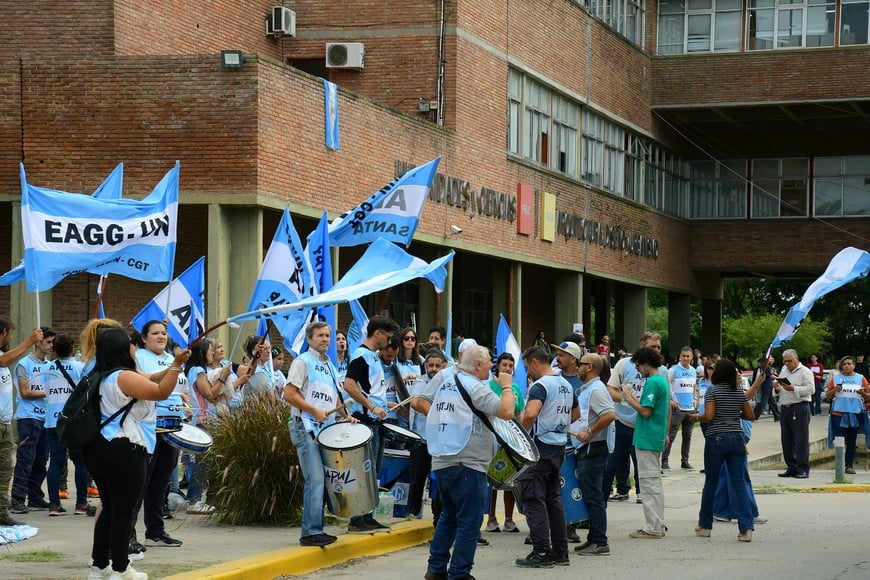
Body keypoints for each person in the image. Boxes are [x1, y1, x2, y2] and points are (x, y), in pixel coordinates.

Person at [83, 327, 189, 580]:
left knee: (109, 508)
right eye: (130, 344)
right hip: (123, 448)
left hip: (98, 446)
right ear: (123, 349)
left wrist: (173, 366)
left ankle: (99, 566)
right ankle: (121, 568)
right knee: (123, 511)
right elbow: (161, 392)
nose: (134, 348)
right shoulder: (122, 376)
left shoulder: (100, 374)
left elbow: (152, 378)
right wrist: (176, 364)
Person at [420, 344, 515, 580]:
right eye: (489, 362)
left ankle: (436, 568)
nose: (493, 365)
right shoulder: (475, 387)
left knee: (449, 517)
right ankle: (460, 573)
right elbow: (507, 411)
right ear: (478, 365)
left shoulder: (445, 381)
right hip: (467, 463)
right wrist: (506, 386)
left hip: (443, 460)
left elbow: (421, 401)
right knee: (469, 522)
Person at [284, 321, 350, 547]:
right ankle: (310, 532)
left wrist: (346, 415)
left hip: (324, 429)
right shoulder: (302, 362)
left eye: (328, 336)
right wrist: (314, 411)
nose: (325, 339)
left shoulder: (330, 365)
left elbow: (336, 397)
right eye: (320, 336)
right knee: (316, 480)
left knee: (322, 481)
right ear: (310, 339)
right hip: (305, 426)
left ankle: (316, 528)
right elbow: (289, 394)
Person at [515, 346, 579, 568]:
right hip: (559, 447)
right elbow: (577, 413)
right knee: (554, 500)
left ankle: (541, 551)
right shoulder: (565, 384)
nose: (527, 373)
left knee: (533, 499)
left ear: (534, 362)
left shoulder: (540, 385)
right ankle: (561, 553)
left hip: (539, 448)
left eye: (526, 368)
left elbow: (531, 413)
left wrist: (519, 437)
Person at [129, 320, 188, 556]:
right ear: (144, 338)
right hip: (149, 427)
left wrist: (184, 403)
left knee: (161, 481)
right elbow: (147, 382)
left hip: (172, 426)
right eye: (155, 333)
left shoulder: (172, 358)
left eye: (164, 333)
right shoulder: (139, 358)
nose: (161, 336)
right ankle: (129, 534)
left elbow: (177, 388)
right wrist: (174, 365)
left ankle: (155, 530)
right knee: (141, 481)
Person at [342, 314, 400, 533]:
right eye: (388, 336)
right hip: (366, 421)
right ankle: (357, 519)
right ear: (378, 334)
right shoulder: (361, 355)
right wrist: (371, 406)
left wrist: (384, 404)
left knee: (373, 471)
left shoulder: (374, 357)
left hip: (376, 420)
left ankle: (367, 515)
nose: (389, 341)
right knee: (364, 469)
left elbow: (371, 388)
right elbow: (349, 385)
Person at [692, 359, 756, 542]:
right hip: (737, 438)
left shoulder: (712, 391)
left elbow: (710, 416)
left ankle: (705, 525)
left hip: (717, 438)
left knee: (711, 482)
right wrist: (734, 413)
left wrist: (697, 417)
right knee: (739, 484)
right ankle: (746, 528)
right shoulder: (738, 392)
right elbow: (750, 416)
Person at [604, 331, 664, 504]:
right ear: (642, 347)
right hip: (622, 422)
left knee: (644, 467)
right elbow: (611, 389)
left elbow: (664, 404)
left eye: (659, 347)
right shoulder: (624, 364)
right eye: (653, 346)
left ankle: (642, 493)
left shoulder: (661, 372)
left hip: (645, 425)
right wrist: (627, 399)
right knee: (612, 463)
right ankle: (611, 493)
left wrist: (665, 431)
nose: (657, 350)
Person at [620, 346, 670, 539]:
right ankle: (657, 523)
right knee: (654, 481)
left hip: (647, 436)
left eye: (639, 365)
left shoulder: (652, 382)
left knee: (649, 483)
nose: (638, 369)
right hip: (655, 435)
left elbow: (645, 411)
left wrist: (628, 396)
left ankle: (653, 527)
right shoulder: (662, 381)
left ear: (645, 363)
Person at [572, 354, 616, 556]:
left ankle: (600, 541)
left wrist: (589, 432)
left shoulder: (597, 390)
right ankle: (593, 539)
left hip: (593, 449)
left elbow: (609, 415)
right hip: (589, 448)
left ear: (589, 367)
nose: (577, 367)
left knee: (594, 497)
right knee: (591, 496)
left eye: (580, 364)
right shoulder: (590, 389)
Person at [0, 318, 43, 526]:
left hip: (5, 423)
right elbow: (3, 362)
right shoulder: (4, 359)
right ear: (3, 332)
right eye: (9, 334)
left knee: (5, 468)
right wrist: (29, 341)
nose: (10, 337)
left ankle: (1, 511)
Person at [10, 326, 56, 514]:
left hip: (46, 418)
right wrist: (49, 392)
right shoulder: (24, 364)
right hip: (28, 418)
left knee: (41, 461)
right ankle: (18, 499)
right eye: (48, 342)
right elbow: (25, 392)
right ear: (38, 342)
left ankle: (35, 496)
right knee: (25, 460)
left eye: (53, 342)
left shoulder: (51, 365)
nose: (51, 346)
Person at [44, 333, 89, 516]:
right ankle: (81, 504)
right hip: (74, 421)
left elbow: (46, 393)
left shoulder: (47, 369)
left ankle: (54, 505)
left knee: (55, 462)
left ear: (53, 349)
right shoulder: (80, 367)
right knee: (80, 462)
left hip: (53, 421)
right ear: (72, 348)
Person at [185, 339, 230, 514]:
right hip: (203, 421)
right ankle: (194, 500)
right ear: (202, 353)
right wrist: (222, 377)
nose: (212, 353)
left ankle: (207, 499)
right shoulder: (198, 370)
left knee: (208, 461)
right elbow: (210, 394)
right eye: (210, 350)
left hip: (207, 419)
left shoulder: (198, 370)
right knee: (203, 462)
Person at [485, 352, 525, 534]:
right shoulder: (488, 386)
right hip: (493, 437)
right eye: (504, 365)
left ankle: (509, 519)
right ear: (497, 367)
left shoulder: (515, 389)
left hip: (511, 441)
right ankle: (491, 518)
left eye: (510, 365)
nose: (507, 368)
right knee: (492, 478)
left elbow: (520, 414)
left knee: (510, 480)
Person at [550, 340, 584, 543]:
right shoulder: (554, 379)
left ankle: (571, 525)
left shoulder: (583, 381)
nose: (557, 357)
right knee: (555, 485)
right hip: (556, 442)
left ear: (573, 359)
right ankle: (553, 527)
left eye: (562, 354)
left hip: (579, 442)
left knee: (573, 485)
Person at [406, 348, 446, 520]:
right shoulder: (421, 384)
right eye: (431, 365)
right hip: (421, 439)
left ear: (444, 366)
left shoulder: (447, 384)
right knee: (417, 479)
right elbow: (415, 403)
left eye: (438, 365)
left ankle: (438, 517)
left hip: (440, 441)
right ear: (425, 365)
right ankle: (413, 514)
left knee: (438, 482)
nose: (434, 369)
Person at [825, 356, 870, 474]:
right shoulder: (836, 378)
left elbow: (868, 396)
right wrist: (835, 390)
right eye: (844, 364)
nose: (846, 366)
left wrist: (862, 393)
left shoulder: (861, 378)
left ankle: (849, 465)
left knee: (851, 440)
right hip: (838, 413)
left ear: (854, 365)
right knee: (839, 440)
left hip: (855, 413)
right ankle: (839, 464)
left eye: (849, 364)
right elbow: (828, 396)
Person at [774, 349, 814, 478]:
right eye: (785, 361)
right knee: (787, 439)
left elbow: (811, 389)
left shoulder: (805, 372)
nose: (787, 364)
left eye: (789, 361)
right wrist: (776, 387)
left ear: (796, 359)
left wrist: (794, 388)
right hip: (785, 407)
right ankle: (791, 466)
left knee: (801, 439)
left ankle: (802, 468)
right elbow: (780, 388)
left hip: (800, 407)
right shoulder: (784, 370)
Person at [663, 346, 698, 470]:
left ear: (692, 357)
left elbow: (694, 387)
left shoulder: (694, 371)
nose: (686, 358)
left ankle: (685, 461)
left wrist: (695, 400)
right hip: (677, 409)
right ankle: (664, 461)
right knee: (671, 436)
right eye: (684, 356)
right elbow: (665, 385)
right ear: (680, 356)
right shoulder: (672, 370)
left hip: (690, 408)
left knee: (687, 436)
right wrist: (670, 400)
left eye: (688, 356)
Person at [753, 355, 780, 421]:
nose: (770, 360)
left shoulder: (766, 367)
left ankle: (777, 415)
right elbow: (769, 375)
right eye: (769, 359)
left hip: (767, 385)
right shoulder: (765, 367)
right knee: (763, 401)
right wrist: (777, 378)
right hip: (766, 385)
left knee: (771, 401)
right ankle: (754, 415)